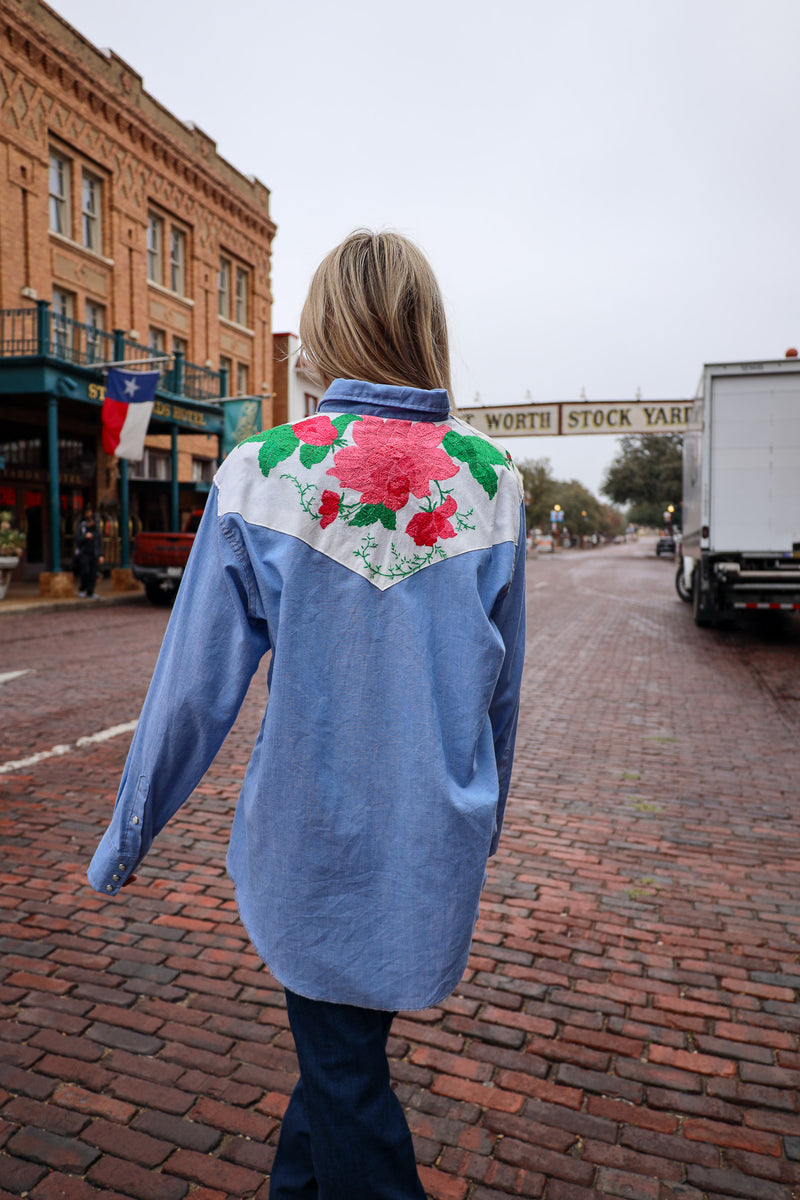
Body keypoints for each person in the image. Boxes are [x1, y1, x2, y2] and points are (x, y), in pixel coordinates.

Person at [88, 229, 526, 1198]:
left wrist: (129, 833)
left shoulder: (265, 470)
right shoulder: (492, 481)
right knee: (338, 1057)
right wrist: (477, 826)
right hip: (429, 833)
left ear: (322, 331)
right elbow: (502, 689)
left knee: (341, 1073)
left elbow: (195, 683)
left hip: (311, 837)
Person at [74, 506, 104, 598]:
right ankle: (82, 589)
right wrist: (85, 537)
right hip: (84, 553)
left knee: (93, 573)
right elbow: (77, 539)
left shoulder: (97, 529)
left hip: (94, 553)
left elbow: (99, 542)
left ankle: (90, 592)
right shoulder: (82, 527)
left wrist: (100, 555)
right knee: (85, 571)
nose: (93, 522)